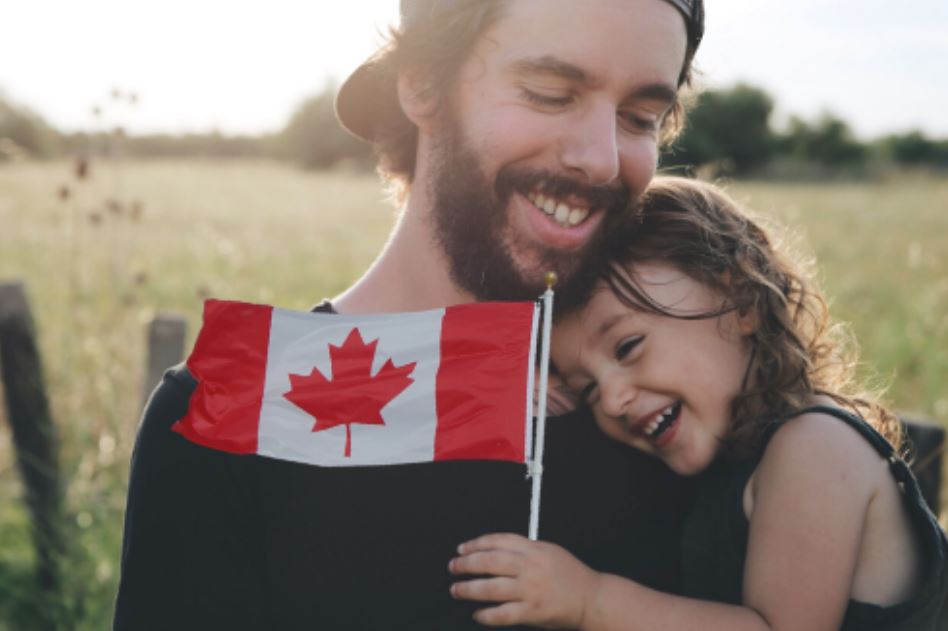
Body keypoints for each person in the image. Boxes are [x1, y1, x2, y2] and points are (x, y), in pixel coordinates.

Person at [113, 1, 707, 629]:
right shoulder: (233, 412)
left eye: (641, 117)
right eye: (550, 94)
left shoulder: (672, 399)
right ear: (422, 86)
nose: (602, 159)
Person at [448, 177, 948, 630]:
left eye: (628, 347)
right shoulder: (735, 460)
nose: (615, 400)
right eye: (589, 390)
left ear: (741, 297)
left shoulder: (815, 447)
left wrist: (590, 601)